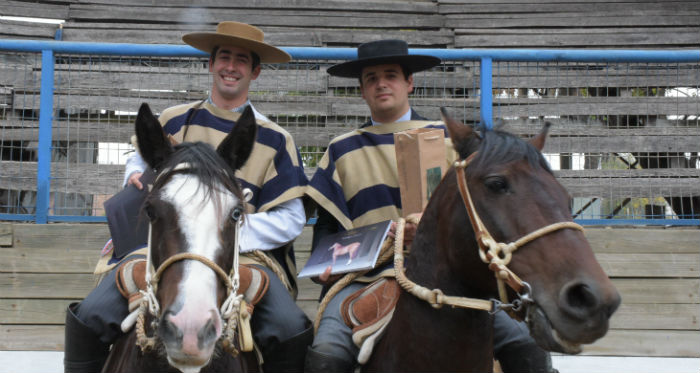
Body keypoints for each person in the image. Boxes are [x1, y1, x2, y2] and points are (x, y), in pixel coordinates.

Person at [64, 22, 312, 373]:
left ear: (255, 71)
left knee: (290, 330)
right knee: (88, 316)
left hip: (245, 254)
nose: (231, 66)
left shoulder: (276, 138)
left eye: (241, 60)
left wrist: (223, 230)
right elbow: (140, 155)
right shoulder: (174, 118)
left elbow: (291, 218)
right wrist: (133, 173)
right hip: (164, 244)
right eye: (224, 57)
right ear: (210, 64)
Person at [303, 39, 557, 373]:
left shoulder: (452, 144)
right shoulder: (342, 149)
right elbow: (328, 228)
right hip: (367, 278)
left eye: (390, 75)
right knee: (325, 355)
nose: (381, 83)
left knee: (526, 345)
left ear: (409, 82)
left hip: (449, 278)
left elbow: (479, 222)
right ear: (362, 91)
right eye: (371, 78)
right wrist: (327, 265)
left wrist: (428, 234)